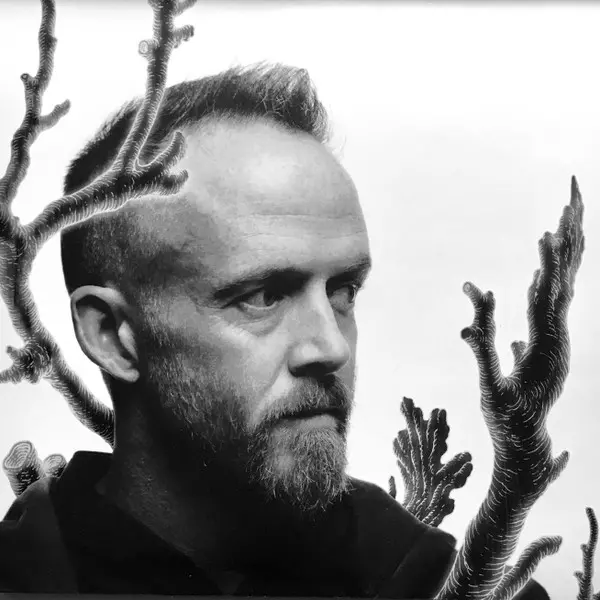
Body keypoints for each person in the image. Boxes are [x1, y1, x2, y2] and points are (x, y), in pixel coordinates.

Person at [0, 64, 548, 598]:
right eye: (263, 296)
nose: (331, 347)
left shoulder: (447, 584)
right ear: (112, 335)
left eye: (343, 291)